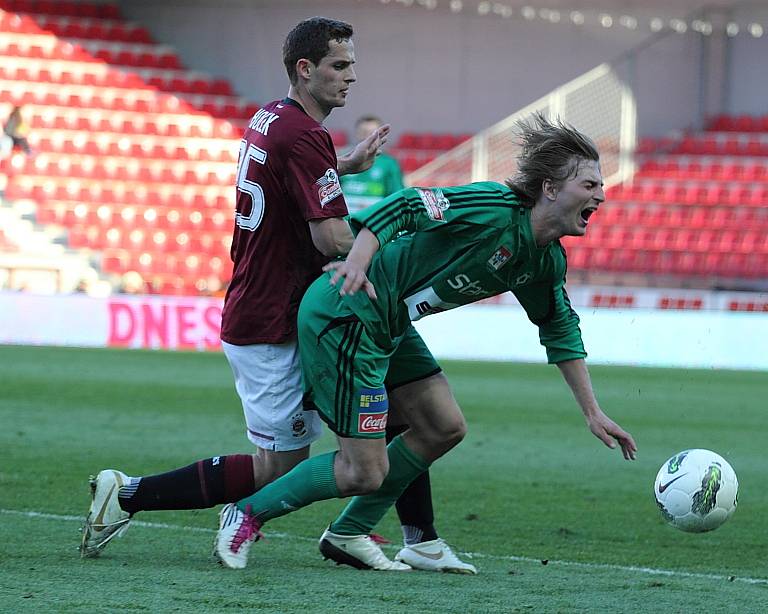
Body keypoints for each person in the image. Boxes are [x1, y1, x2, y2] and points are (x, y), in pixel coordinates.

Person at [81, 16, 474, 574]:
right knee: (277, 468)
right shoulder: (303, 134)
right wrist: (399, 231)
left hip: (303, 311)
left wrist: (341, 167)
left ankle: (417, 536)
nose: (351, 77)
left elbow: (288, 179)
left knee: (406, 404)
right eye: (340, 66)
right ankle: (126, 493)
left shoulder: (273, 120)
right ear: (305, 69)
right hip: (272, 318)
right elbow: (333, 239)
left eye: (353, 65)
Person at [212, 113, 638, 571]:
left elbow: (559, 328)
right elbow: (408, 204)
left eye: (600, 185)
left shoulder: (544, 260)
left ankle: (352, 533)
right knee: (364, 470)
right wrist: (357, 260)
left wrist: (593, 412)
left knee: (443, 425)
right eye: (590, 184)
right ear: (550, 189)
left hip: (387, 321)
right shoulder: (494, 208)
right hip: (347, 311)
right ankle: (246, 512)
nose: (601, 194)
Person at [339, 115, 404, 214]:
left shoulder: (389, 163)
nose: (367, 137)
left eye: (372, 133)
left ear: (380, 136)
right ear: (356, 134)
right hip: (345, 217)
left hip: (375, 218)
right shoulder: (343, 159)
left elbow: (396, 195)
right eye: (364, 132)